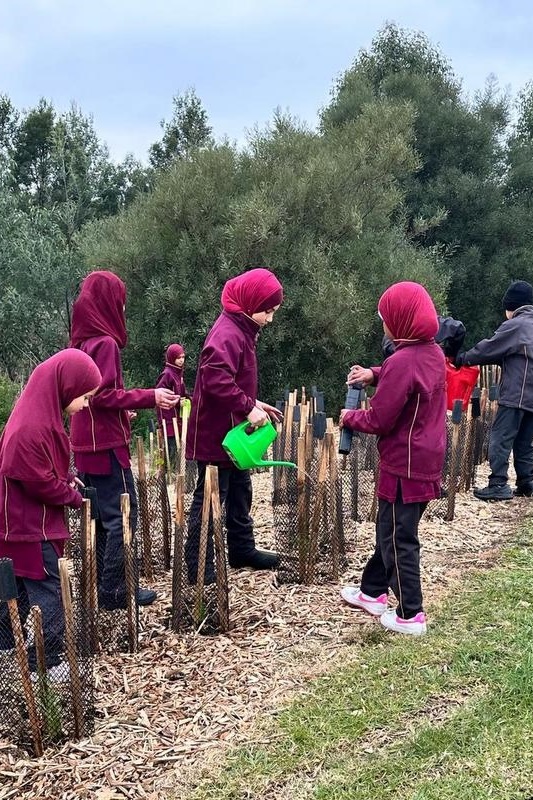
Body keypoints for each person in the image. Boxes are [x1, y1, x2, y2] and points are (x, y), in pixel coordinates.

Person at [340, 281, 447, 636]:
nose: (383, 322)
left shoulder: (402, 360)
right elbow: (404, 373)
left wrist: (348, 418)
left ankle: (410, 614)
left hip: (406, 464)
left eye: (386, 317)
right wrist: (374, 373)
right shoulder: (431, 352)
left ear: (401, 320)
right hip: (422, 459)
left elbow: (379, 419)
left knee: (398, 538)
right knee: (389, 529)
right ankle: (372, 592)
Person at [69, 270, 179, 610]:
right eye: (122, 302)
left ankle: (101, 586)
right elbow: (101, 396)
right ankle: (114, 591)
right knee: (122, 516)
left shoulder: (80, 343)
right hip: (105, 447)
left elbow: (93, 400)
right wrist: (149, 397)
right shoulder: (105, 343)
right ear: (108, 303)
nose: (124, 309)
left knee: (101, 519)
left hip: (85, 443)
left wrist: (123, 410)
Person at [0, 350, 101, 677]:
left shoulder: (40, 415)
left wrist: (65, 478)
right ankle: (46, 661)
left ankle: (5, 646)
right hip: (29, 526)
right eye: (85, 397)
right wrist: (72, 497)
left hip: (20, 524)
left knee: (18, 587)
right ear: (66, 386)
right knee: (50, 589)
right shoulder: (31, 427)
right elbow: (33, 478)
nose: (86, 405)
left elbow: (44, 469)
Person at [185, 267, 284, 585]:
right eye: (267, 311)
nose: (269, 319)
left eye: (273, 312)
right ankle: (198, 564)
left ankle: (242, 550)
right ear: (251, 301)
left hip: (233, 434)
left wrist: (255, 404)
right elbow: (215, 378)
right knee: (212, 494)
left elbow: (234, 381)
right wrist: (246, 406)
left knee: (241, 491)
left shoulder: (241, 328)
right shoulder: (227, 332)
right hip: (216, 435)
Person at [455, 279, 533, 500]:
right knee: (524, 440)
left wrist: (463, 359)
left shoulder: (516, 325)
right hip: (531, 397)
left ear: (512, 306)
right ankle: (527, 481)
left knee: (501, 436)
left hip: (516, 393)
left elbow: (489, 347)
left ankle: (498, 483)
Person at [155, 343, 190, 467]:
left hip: (179, 418)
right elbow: (160, 397)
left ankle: (178, 470)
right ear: (171, 358)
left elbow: (183, 393)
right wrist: (175, 402)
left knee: (180, 446)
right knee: (172, 448)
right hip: (169, 419)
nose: (181, 360)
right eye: (178, 357)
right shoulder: (167, 374)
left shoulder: (178, 373)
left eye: (183, 357)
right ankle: (171, 473)